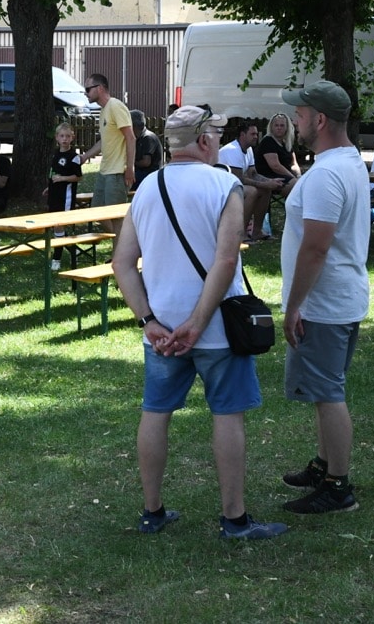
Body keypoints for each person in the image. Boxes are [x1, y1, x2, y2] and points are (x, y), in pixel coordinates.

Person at [112, 105, 288, 541]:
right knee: (227, 414)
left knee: (156, 413)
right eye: (216, 135)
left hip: (162, 329)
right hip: (219, 327)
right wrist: (198, 322)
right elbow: (226, 261)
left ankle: (152, 511)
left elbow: (122, 263)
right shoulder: (224, 185)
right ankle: (234, 519)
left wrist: (148, 320)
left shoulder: (147, 187)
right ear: (205, 141)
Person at [278, 80, 370, 515]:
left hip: (324, 304)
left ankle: (337, 486)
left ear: (319, 120)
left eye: (299, 114)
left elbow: (315, 248)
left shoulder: (327, 174)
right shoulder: (348, 162)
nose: (294, 121)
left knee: (329, 393)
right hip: (340, 297)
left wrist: (294, 305)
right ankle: (324, 465)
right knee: (322, 390)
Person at [79, 73, 135, 233]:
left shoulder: (115, 106)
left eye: (88, 89)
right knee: (97, 213)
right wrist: (85, 156)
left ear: (100, 88)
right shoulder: (104, 110)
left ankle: (123, 246)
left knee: (116, 219)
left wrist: (129, 168)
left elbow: (130, 137)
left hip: (117, 172)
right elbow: (104, 141)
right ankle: (124, 241)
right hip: (104, 171)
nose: (86, 93)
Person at [218, 120, 281, 243]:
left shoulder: (249, 149)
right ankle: (240, 233)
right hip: (221, 187)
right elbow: (239, 179)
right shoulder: (232, 150)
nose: (256, 137)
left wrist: (270, 181)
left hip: (232, 185)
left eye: (256, 134)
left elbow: (253, 174)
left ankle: (257, 231)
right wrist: (266, 183)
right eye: (252, 134)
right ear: (242, 135)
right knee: (252, 191)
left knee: (265, 190)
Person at [45, 122, 84, 271]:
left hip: (65, 197)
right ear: (57, 137)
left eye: (68, 136)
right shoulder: (55, 154)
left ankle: (57, 259)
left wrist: (63, 179)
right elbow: (53, 174)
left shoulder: (74, 157)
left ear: (72, 138)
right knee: (55, 226)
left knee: (59, 225)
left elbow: (78, 177)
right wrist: (49, 187)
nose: (65, 139)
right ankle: (74, 249)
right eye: (62, 136)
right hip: (54, 195)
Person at [255, 112, 300, 195]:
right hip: (269, 177)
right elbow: (275, 166)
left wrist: (299, 176)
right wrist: (293, 177)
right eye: (276, 125)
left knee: (305, 182)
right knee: (296, 185)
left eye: (282, 125)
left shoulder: (286, 144)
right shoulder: (268, 141)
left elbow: (294, 164)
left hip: (285, 176)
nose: (279, 128)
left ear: (287, 128)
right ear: (271, 127)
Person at [130, 109, 163, 190]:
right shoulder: (139, 137)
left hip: (149, 174)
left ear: (133, 125)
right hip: (142, 172)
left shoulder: (148, 138)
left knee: (124, 180)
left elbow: (146, 162)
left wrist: (130, 163)